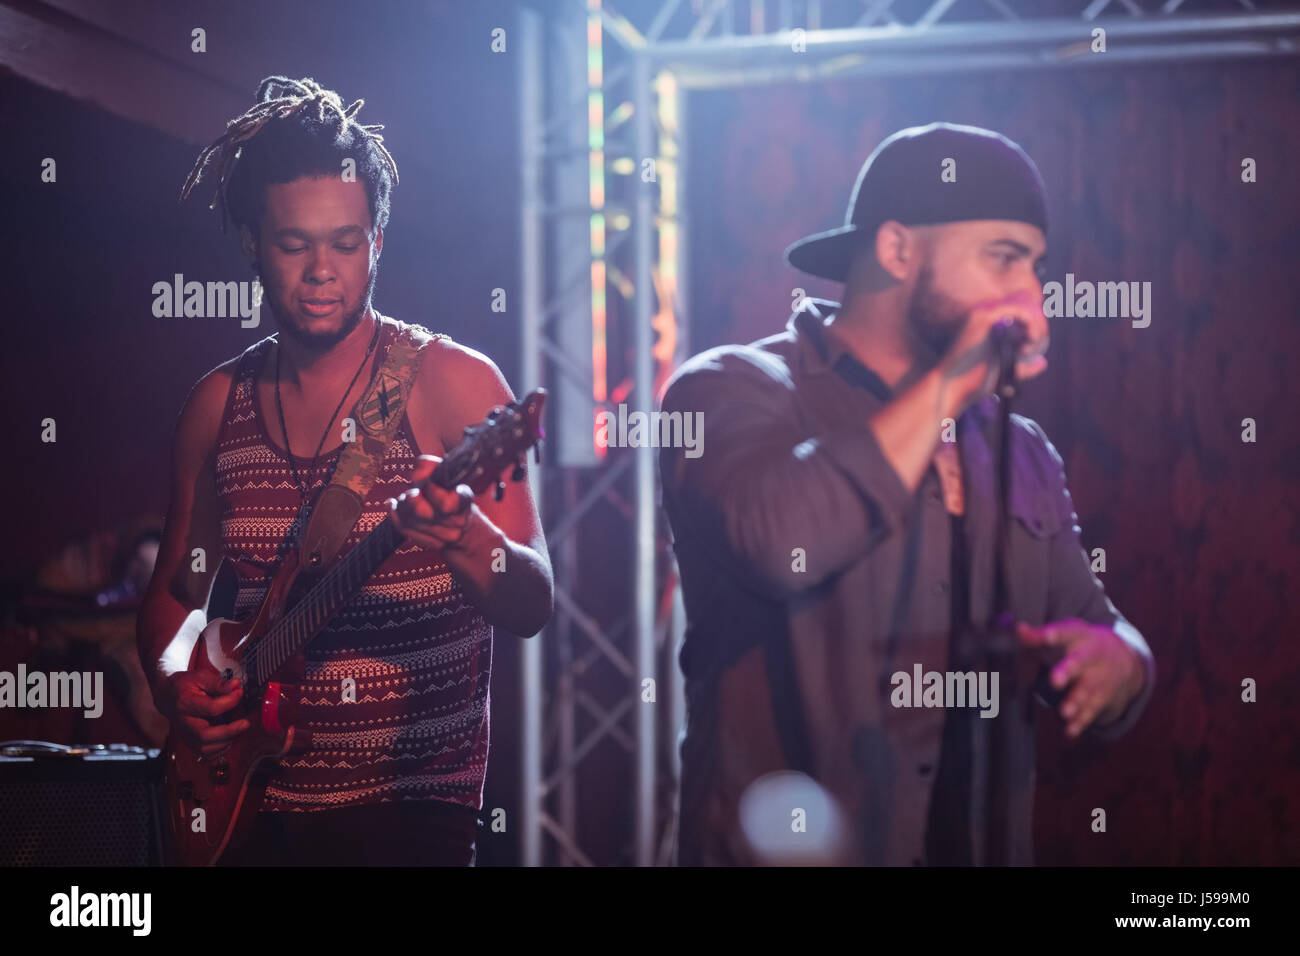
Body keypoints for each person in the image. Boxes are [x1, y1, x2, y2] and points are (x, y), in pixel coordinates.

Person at [659, 122, 1155, 867]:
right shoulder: (731, 389)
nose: (1028, 293)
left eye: (1036, 268)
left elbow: (1101, 627)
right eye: (1004, 259)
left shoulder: (1018, 447)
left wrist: (1119, 666)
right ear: (896, 251)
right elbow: (777, 543)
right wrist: (951, 385)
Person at [137, 76, 553, 866]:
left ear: (378, 243)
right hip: (245, 813)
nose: (321, 269)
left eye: (346, 242)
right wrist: (170, 683)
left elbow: (533, 602)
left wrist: (467, 537)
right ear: (254, 246)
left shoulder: (454, 385)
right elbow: (176, 599)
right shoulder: (217, 407)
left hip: (408, 816)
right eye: (294, 245)